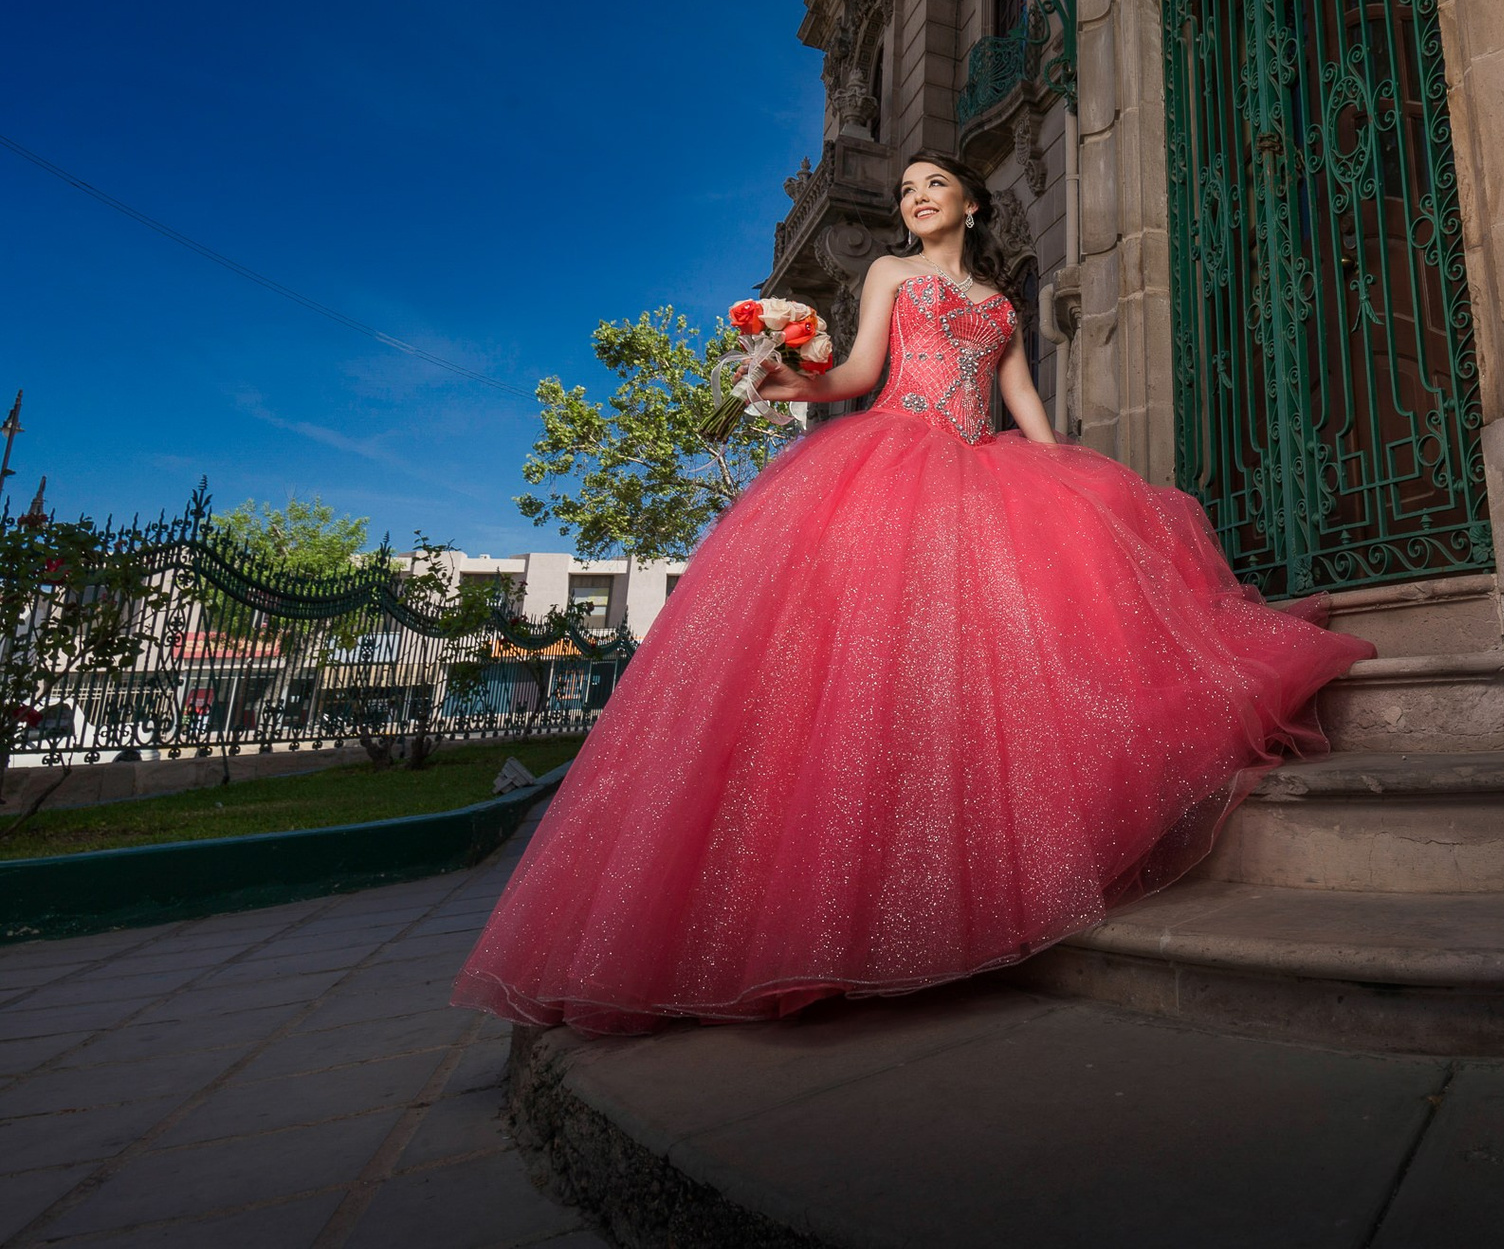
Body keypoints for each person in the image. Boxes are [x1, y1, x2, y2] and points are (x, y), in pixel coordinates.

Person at [454, 153, 1371, 1032]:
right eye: (906, 189)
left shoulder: (1001, 305)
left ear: (972, 203)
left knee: (978, 678)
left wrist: (1084, 495)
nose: (915, 197)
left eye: (934, 185)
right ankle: (813, 926)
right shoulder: (891, 272)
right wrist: (791, 380)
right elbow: (859, 374)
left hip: (987, 471)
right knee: (866, 673)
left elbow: (1023, 404)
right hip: (894, 460)